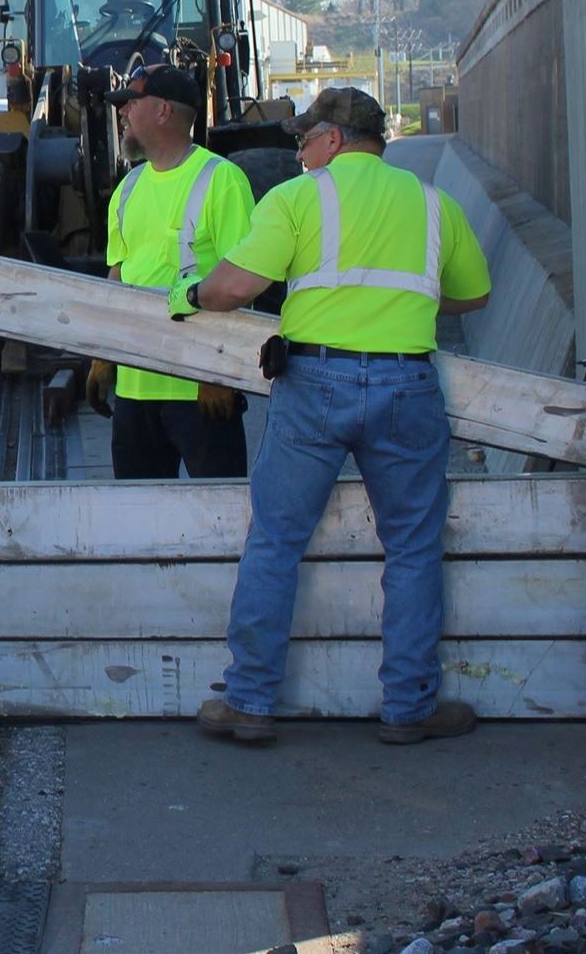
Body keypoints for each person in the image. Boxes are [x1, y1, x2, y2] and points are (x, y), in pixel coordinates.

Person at [170, 87, 492, 746]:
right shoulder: (433, 204)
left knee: (275, 541)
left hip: (315, 383)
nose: (299, 152)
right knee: (413, 547)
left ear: (335, 139)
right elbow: (473, 293)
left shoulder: (298, 198)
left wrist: (189, 294)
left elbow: (236, 288)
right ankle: (409, 707)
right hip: (406, 384)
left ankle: (249, 700)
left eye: (305, 140)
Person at [91, 64, 256, 479]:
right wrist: (102, 353)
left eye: (131, 104)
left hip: (201, 390)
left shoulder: (222, 180)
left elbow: (242, 284)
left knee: (219, 511)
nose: (122, 113)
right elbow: (118, 280)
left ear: (163, 111)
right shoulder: (127, 190)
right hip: (135, 389)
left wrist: (220, 373)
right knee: (141, 510)